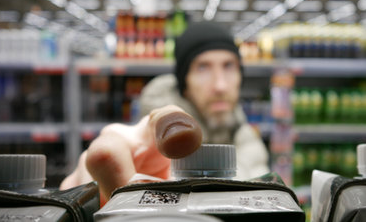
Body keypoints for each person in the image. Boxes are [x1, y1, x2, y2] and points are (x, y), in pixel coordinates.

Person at [60, 22, 270, 204]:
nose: (220, 85)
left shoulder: (247, 137)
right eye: (203, 68)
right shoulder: (155, 156)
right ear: (184, 83)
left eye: (229, 66)